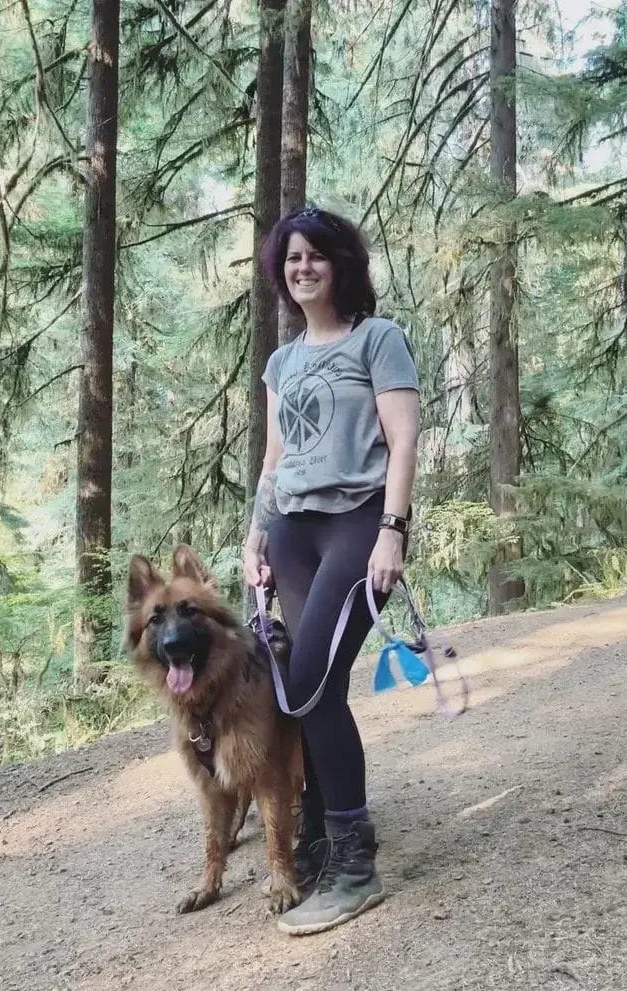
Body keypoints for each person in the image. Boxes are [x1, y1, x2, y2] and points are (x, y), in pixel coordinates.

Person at [242, 206, 420, 936]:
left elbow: (404, 439)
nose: (303, 267)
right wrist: (254, 534)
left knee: (309, 678)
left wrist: (392, 532)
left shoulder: (378, 339)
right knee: (303, 688)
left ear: (342, 263)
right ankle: (317, 834)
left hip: (356, 524)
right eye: (291, 259)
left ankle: (355, 865)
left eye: (316, 255)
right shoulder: (281, 362)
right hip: (290, 530)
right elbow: (275, 458)